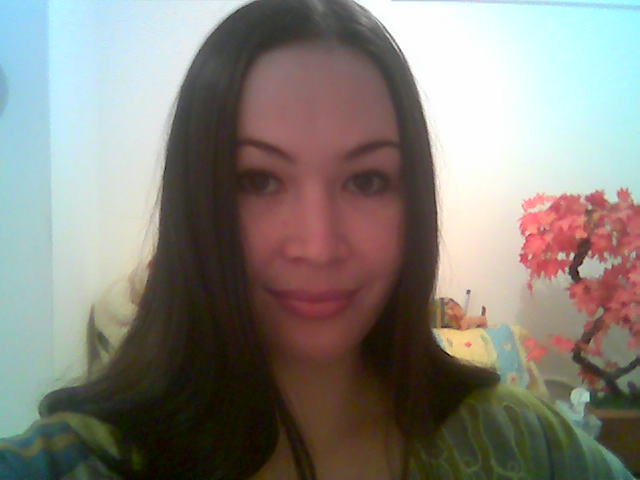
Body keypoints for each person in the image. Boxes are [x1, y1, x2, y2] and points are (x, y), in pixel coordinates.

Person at [0, 0, 634, 479]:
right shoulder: (80, 461)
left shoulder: (521, 444)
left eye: (367, 180)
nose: (319, 245)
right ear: (198, 199)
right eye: (257, 180)